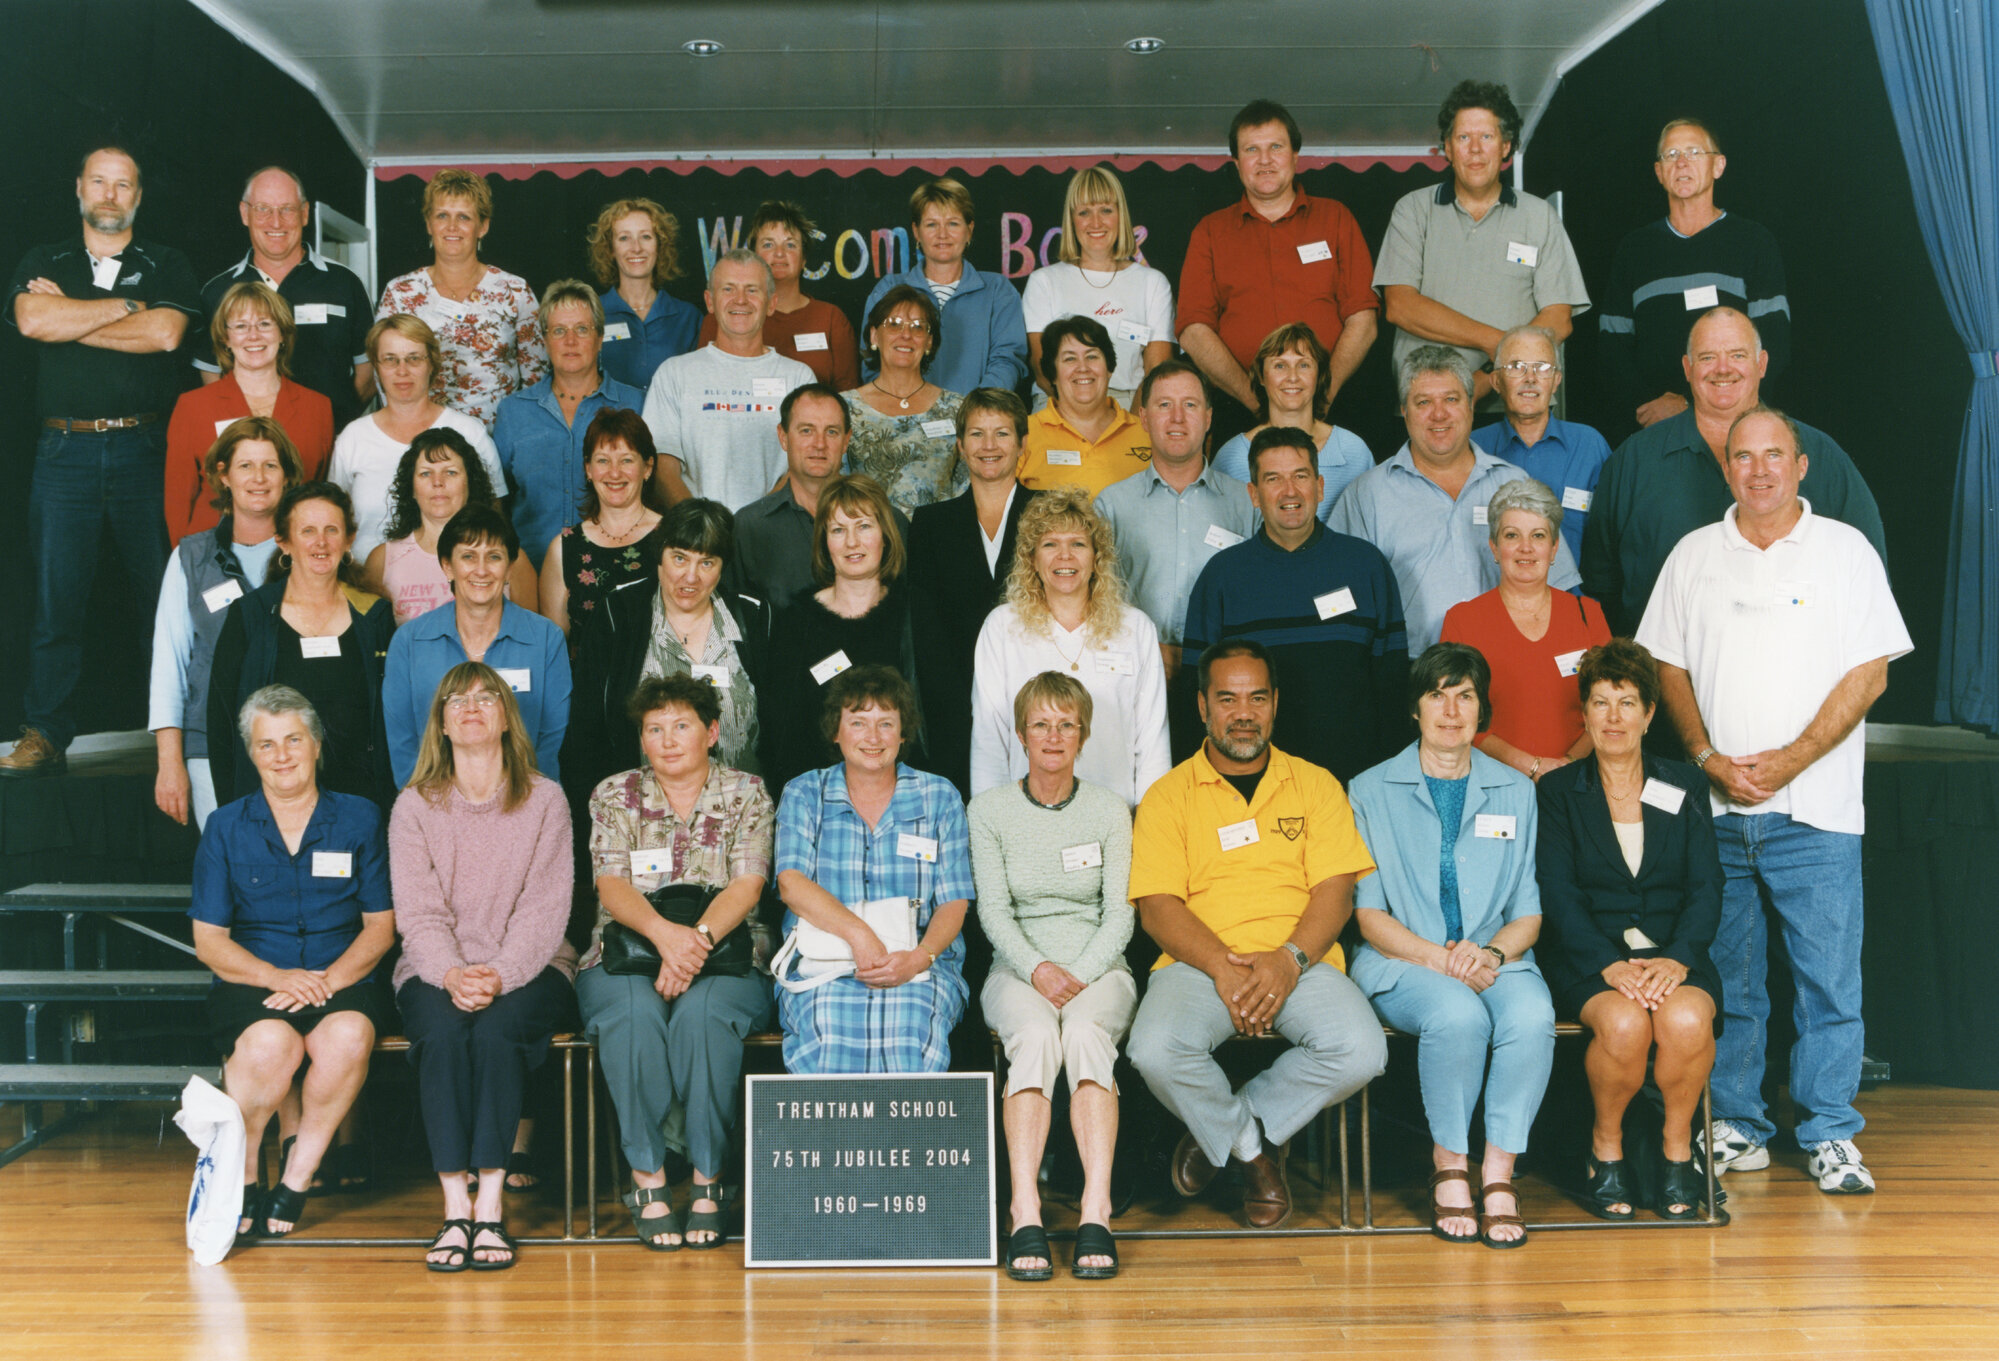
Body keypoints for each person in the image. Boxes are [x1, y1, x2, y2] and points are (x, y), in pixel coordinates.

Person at [1636, 405, 1911, 1195]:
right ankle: (1739, 1125)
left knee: (1828, 982)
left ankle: (1828, 1131)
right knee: (1732, 981)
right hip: (1717, 812)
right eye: (1742, 456)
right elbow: (1666, 666)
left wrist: (1790, 759)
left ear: (1800, 467)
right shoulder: (1694, 556)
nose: (1757, 469)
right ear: (1724, 468)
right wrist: (1704, 757)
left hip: (1815, 809)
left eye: (1773, 456)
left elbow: (1871, 672)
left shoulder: (1843, 551)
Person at [1125, 640, 1386, 1230]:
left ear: (1275, 704)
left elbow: (1336, 893)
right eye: (1227, 699)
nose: (1243, 712)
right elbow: (1159, 909)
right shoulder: (1168, 795)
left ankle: (1226, 1127)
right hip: (1196, 963)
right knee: (1153, 1050)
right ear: (1201, 707)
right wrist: (1222, 965)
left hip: (1303, 960)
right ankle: (1252, 1151)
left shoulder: (1316, 784)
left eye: (1256, 697)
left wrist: (1289, 959)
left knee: (1363, 1052)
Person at [0, 146, 201, 778]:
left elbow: (167, 335)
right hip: (64, 452)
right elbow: (32, 320)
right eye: (99, 183)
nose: (110, 195)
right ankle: (46, 733)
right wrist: (128, 310)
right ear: (79, 190)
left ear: (139, 196)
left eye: (123, 185)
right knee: (57, 601)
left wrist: (74, 316)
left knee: (165, 596)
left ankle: (194, 726)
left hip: (146, 448)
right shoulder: (44, 263)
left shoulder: (166, 262)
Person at [1347, 642, 1556, 1248]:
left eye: (1465, 695)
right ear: (1415, 707)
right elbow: (1369, 915)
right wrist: (1441, 960)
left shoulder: (1515, 790)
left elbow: (1528, 911)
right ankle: (1450, 1167)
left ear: (1480, 707)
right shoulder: (1369, 789)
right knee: (1458, 1016)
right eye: (1436, 694)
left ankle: (1498, 1174)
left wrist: (1489, 954)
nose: (1451, 709)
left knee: (1532, 1015)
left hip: (1498, 959)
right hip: (1402, 959)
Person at [578, 673, 776, 1250]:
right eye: (654, 729)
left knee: (703, 1019)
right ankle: (648, 1175)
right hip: (629, 948)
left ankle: (710, 1179)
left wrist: (697, 942)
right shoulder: (614, 794)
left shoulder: (748, 792)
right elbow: (610, 885)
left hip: (728, 950)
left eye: (682, 726)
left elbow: (750, 883)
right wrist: (668, 938)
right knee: (633, 1021)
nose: (667, 740)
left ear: (712, 732)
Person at [390, 661, 577, 1271]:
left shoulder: (545, 799)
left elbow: (546, 909)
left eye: (486, 697)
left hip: (531, 965)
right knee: (443, 1033)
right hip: (433, 967)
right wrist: (450, 974)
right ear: (441, 724)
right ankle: (454, 1207)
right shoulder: (413, 806)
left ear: (505, 717)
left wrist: (499, 974)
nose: (471, 707)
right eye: (456, 700)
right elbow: (417, 913)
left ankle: (490, 1206)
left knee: (496, 1032)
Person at [191, 686, 394, 1242]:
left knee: (348, 1036)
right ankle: (248, 1171)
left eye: (293, 740)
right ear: (251, 754)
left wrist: (325, 983)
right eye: (266, 745)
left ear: (316, 744)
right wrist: (278, 979)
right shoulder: (225, 827)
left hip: (343, 976)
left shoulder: (359, 818)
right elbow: (209, 940)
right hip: (255, 978)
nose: (282, 756)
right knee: (269, 1046)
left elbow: (380, 926)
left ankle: (298, 1178)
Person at [1535, 640, 1722, 1220]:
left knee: (1687, 1019)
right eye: (1600, 703)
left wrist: (1679, 958)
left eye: (1627, 703)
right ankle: (1606, 1149)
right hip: (1589, 958)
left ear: (1648, 714)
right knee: (1621, 1024)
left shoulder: (1683, 786)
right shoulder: (1559, 792)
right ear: (1585, 714)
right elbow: (1557, 892)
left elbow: (1707, 885)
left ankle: (1675, 1150)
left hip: (1674, 954)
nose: (1613, 717)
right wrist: (1607, 964)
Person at [970, 672, 1134, 1281]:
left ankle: (1097, 1207)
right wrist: (1038, 970)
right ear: (1020, 734)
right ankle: (1025, 1209)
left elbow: (1121, 911)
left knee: (1088, 1038)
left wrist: (1080, 974)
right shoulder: (987, 811)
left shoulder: (1109, 809)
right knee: (1036, 1040)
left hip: (1100, 966)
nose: (1054, 735)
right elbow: (993, 910)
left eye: (1067, 723)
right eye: (1041, 723)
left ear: (1084, 734)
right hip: (1017, 969)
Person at [1583, 307, 1885, 637]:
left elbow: (1868, 580)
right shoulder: (1633, 461)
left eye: (1737, 355)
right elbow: (1600, 590)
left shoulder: (1820, 454)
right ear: (1687, 368)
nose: (1723, 369)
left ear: (1762, 364)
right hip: (1656, 678)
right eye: (1708, 357)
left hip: (1796, 678)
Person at [773, 665, 973, 1074]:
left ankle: (908, 1141)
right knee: (825, 1023)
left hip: (918, 962)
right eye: (858, 722)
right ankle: (828, 1142)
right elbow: (791, 885)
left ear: (903, 733)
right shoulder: (805, 792)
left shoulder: (940, 796)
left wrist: (919, 959)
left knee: (909, 1027)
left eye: (887, 723)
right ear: (836, 731)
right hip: (822, 963)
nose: (873, 737)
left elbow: (955, 900)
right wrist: (859, 935)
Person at [1185, 428, 1407, 786]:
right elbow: (1193, 699)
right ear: (1254, 494)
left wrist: (1385, 786)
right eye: (1273, 479)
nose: (1290, 491)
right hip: (1250, 788)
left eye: (1300, 476)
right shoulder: (1222, 577)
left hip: (1352, 784)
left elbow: (1393, 688)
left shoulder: (1366, 566)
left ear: (1319, 487)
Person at [1327, 345, 1579, 654]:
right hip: (1411, 672)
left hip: (1509, 665)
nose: (1439, 414)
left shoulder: (1514, 484)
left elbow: (1559, 587)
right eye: (1423, 402)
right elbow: (1337, 597)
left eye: (1451, 399)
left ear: (1471, 405)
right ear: (1404, 410)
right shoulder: (1366, 494)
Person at [1374, 80, 1590, 405]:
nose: (1475, 149)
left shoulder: (1540, 216)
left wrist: (1492, 374)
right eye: (1463, 137)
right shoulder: (1413, 210)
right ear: (1447, 148)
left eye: (1486, 137)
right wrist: (1498, 343)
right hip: (1431, 408)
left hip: (1518, 404)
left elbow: (1558, 318)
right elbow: (1401, 306)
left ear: (1506, 146)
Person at [1177, 100, 1378, 438]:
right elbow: (1193, 330)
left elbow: (1364, 320)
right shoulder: (1210, 232)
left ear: (1295, 156)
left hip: (1332, 410)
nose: (1265, 160)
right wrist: (1254, 400)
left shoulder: (1336, 218)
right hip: (1239, 412)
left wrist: (1321, 399)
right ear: (1237, 162)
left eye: (1276, 147)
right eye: (1252, 149)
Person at [1096, 361, 1257, 759]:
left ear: (1208, 417)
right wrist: (1150, 648)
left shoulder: (1247, 501)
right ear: (1144, 418)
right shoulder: (1111, 505)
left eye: (1189, 404)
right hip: (1138, 679)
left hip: (1226, 686)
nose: (1177, 417)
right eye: (1164, 405)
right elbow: (1098, 600)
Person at [566, 497, 774, 804]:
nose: (691, 577)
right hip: (639, 818)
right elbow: (585, 733)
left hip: (741, 818)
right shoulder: (618, 614)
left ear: (722, 567)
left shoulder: (755, 618)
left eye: (707, 563)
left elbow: (782, 734)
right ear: (659, 555)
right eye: (679, 558)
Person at [972, 487, 1169, 809]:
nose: (1065, 556)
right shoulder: (1002, 627)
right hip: (1026, 816)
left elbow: (1152, 742)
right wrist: (991, 820)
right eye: (1050, 544)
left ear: (1097, 557)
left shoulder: (1135, 629)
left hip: (1116, 816)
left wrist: (1149, 824)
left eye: (1078, 544)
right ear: (1032, 559)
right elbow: (988, 737)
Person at [206, 482, 396, 810]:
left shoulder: (375, 616)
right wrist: (233, 810)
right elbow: (222, 720)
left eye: (331, 530)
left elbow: (394, 722)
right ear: (284, 542)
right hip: (270, 804)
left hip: (358, 804)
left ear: (349, 539)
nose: (320, 543)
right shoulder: (250, 616)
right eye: (307, 530)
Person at [151, 420, 301, 829]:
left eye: (270, 466)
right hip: (208, 745)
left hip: (295, 747)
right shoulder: (191, 558)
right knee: (232, 870)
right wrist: (170, 763)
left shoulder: (310, 554)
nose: (258, 478)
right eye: (245, 466)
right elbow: (170, 666)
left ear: (287, 476)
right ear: (223, 475)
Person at [1599, 119, 1792, 432]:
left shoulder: (1753, 242)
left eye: (1693, 152)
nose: (1682, 162)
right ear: (1659, 172)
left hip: (1735, 425)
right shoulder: (1634, 249)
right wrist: (1650, 407)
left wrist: (1696, 406)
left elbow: (1773, 345)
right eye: (1671, 154)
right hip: (1654, 427)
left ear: (1718, 165)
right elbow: (1612, 348)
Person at [907, 389, 1040, 798]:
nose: (989, 446)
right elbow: (926, 632)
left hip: (1038, 701)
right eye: (977, 434)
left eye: (1001, 433)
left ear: (1022, 444)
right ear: (961, 446)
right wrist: (953, 712)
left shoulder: (1049, 513)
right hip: (955, 709)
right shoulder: (930, 525)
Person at [383, 504, 571, 787]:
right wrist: (426, 810)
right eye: (468, 556)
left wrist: (527, 806)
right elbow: (403, 745)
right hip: (433, 809)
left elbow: (552, 741)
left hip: (524, 804)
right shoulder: (408, 642)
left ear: (509, 568)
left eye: (494, 557)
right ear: (448, 566)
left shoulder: (546, 639)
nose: (481, 570)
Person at [1439, 479, 1611, 782]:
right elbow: (1455, 716)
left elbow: (1611, 707)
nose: (1526, 548)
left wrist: (1568, 765)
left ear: (1554, 547)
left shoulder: (1589, 615)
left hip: (1579, 780)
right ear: (1494, 546)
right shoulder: (1462, 621)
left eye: (1539, 535)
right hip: (1493, 783)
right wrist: (1530, 767)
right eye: (1511, 535)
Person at [760, 475, 917, 791]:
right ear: (823, 541)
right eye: (838, 530)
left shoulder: (914, 613)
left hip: (904, 793)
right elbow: (780, 730)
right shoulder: (795, 622)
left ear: (885, 535)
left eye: (863, 526)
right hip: (817, 798)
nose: (852, 542)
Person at [195, 166, 376, 430]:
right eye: (263, 209)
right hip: (250, 454)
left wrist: (332, 427)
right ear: (245, 213)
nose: (276, 222)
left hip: (329, 447)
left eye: (287, 209)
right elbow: (211, 376)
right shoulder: (217, 292)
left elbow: (368, 375)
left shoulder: (345, 284)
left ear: (304, 214)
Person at [641, 248, 814, 510]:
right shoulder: (674, 374)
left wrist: (755, 525)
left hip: (773, 535)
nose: (740, 300)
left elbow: (804, 464)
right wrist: (704, 527)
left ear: (771, 303)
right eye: (729, 289)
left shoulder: (799, 378)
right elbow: (662, 467)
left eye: (752, 290)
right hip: (697, 541)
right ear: (710, 302)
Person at [491, 279, 646, 571]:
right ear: (545, 340)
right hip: (530, 573)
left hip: (615, 572)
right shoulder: (514, 412)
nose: (570, 341)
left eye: (582, 329)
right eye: (559, 331)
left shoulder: (635, 405)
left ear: (600, 337)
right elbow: (498, 502)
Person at [375, 167, 547, 428]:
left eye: (464, 217)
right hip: (422, 445)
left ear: (483, 226)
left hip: (498, 442)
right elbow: (383, 373)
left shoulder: (515, 290)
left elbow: (537, 376)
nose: (452, 227)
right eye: (442, 215)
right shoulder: (400, 292)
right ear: (429, 224)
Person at [166, 281, 334, 544]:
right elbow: (177, 501)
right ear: (226, 339)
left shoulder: (318, 407)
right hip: (213, 554)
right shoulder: (193, 406)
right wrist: (188, 562)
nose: (253, 336)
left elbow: (320, 492)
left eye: (265, 324)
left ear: (282, 334)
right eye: (241, 326)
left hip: (295, 553)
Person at [327, 314, 505, 561]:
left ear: (432, 363)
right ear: (376, 367)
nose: (402, 371)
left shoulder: (469, 433)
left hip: (455, 584)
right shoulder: (353, 438)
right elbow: (334, 519)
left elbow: (494, 518)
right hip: (367, 584)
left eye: (414, 359)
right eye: (390, 360)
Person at [725, 384, 908, 612]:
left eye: (831, 431)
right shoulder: (749, 526)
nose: (819, 444)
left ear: (846, 440)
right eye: (806, 431)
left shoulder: (889, 521)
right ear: (783, 437)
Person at [1022, 165, 1174, 410]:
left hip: (1131, 405)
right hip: (1059, 405)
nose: (1095, 222)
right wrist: (1083, 421)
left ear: (1120, 215)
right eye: (1084, 212)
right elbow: (1043, 368)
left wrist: (1129, 428)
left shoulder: (1153, 283)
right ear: (1071, 219)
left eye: (1105, 210)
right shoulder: (1043, 282)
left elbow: (1157, 371)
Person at [861, 177, 1027, 393]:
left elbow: (1007, 360)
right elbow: (872, 362)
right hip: (904, 418)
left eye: (953, 223)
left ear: (969, 230)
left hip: (978, 420)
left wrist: (977, 412)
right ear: (916, 231)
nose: (942, 234)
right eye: (931, 224)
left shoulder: (997, 290)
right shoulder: (888, 289)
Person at [360, 427, 535, 625]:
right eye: (425, 474)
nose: (438, 482)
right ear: (411, 488)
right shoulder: (382, 560)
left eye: (450, 472)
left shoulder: (512, 558)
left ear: (470, 482)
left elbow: (532, 640)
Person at [1469, 325, 1611, 563]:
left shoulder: (1589, 445)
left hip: (1572, 596)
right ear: (1496, 381)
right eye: (1516, 367)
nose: (1530, 378)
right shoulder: (1472, 448)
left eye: (1542, 367)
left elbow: (1611, 537)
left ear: (1556, 381)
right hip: (1492, 596)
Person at [1210, 324, 1374, 519]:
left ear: (1319, 375)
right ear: (1262, 376)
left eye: (1304, 365)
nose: (1293, 377)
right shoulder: (1232, 456)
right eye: (1280, 366)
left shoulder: (1353, 451)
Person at [696, 200, 860, 389]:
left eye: (790, 245)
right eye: (768, 245)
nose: (780, 253)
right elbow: (705, 386)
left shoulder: (831, 319)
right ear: (753, 255)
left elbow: (848, 399)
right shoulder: (725, 315)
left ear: (804, 259)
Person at [537, 406, 670, 637]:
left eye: (626, 460)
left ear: (647, 468)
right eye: (603, 461)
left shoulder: (673, 537)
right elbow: (556, 647)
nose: (614, 473)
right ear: (588, 469)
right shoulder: (563, 548)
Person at [841, 284, 966, 515]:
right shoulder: (844, 408)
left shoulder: (957, 408)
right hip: (869, 542)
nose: (906, 335)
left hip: (940, 544)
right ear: (873, 335)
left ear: (929, 342)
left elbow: (967, 486)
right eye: (894, 324)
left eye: (918, 327)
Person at [1017, 316, 1152, 499]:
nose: (1083, 367)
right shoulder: (1024, 433)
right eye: (1070, 359)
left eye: (1092, 356)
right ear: (1052, 373)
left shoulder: (1147, 433)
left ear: (1109, 369)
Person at [589, 197, 702, 391]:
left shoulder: (688, 317)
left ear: (660, 245)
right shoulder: (592, 314)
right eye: (624, 238)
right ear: (610, 250)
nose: (636, 248)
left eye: (646, 237)